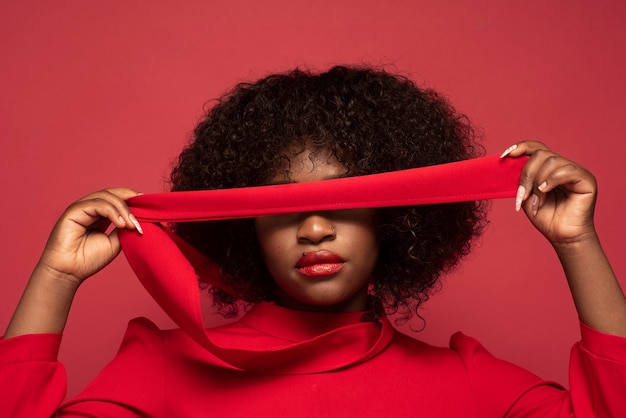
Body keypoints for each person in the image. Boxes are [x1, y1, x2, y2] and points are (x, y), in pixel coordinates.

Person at [1, 66, 625, 417]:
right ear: (244, 227)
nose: (316, 227)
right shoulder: (162, 368)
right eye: (281, 207)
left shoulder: (465, 380)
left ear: (393, 219)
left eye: (347, 201)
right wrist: (56, 278)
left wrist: (577, 244)